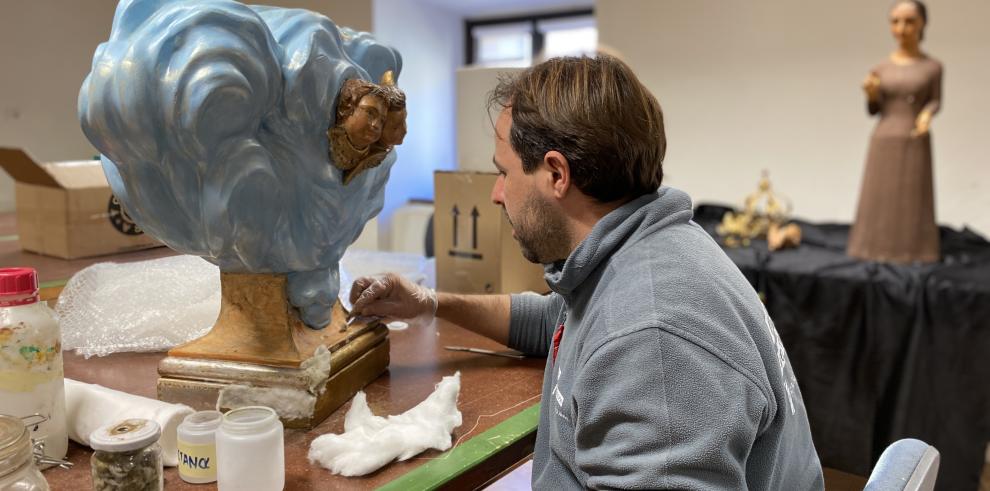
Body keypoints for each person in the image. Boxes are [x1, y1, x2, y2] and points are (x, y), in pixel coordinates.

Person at [349, 55, 824, 490]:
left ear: (557, 174)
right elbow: (556, 320)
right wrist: (431, 303)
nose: (497, 195)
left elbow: (624, 341)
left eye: (504, 173)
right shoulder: (646, 252)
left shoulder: (651, 339)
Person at [848, 0, 942, 263]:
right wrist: (870, 94)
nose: (902, 28)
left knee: (912, 197)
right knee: (881, 198)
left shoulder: (933, 67)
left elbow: (935, 100)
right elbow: (874, 109)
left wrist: (926, 115)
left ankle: (915, 250)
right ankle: (871, 248)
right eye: (896, 21)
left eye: (909, 21)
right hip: (884, 137)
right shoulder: (880, 69)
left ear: (922, 23)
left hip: (915, 138)